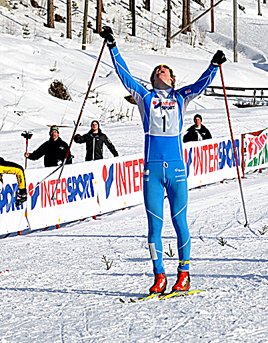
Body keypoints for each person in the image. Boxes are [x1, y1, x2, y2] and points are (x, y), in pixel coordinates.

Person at [99, 26, 225, 295]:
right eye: (156, 70)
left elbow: (201, 85)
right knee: (154, 225)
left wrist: (213, 65)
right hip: (152, 171)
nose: (160, 71)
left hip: (177, 169)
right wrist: (113, 46)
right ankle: (159, 276)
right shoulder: (145, 97)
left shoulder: (181, 97)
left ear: (172, 79)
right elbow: (125, 76)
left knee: (180, 221)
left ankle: (184, 273)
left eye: (165, 70)